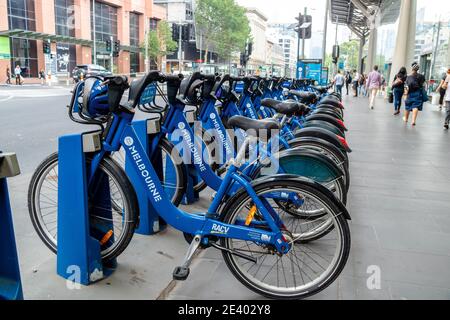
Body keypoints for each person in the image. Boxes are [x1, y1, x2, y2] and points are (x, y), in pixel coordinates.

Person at [404, 62, 426, 126]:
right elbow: (423, 84)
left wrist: (405, 94)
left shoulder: (408, 77)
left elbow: (406, 87)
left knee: (407, 106)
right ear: (418, 69)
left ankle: (406, 119)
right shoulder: (422, 76)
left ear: (412, 69)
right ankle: (413, 121)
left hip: (410, 93)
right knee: (415, 107)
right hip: (418, 93)